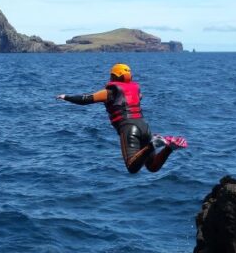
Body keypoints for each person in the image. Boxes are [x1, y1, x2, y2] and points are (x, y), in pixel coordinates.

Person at [56, 63, 187, 174]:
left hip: (129, 127)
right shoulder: (136, 91)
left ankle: (154, 144)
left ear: (115, 76)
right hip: (144, 127)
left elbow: (85, 99)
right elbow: (137, 98)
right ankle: (169, 148)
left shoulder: (110, 92)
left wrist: (66, 97)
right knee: (152, 167)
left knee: (132, 167)